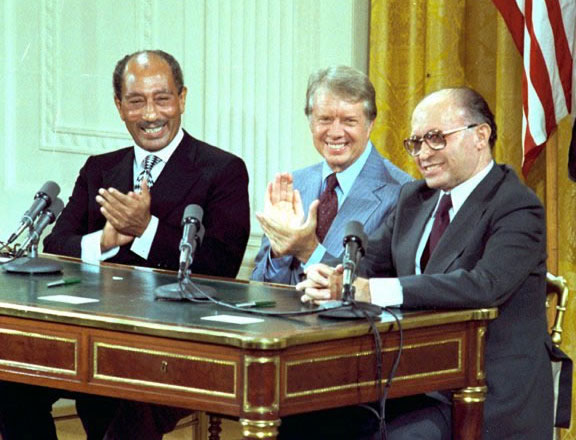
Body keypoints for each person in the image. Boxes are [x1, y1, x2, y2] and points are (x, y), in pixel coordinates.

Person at [0, 50, 250, 439]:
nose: (151, 114)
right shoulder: (100, 167)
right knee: (10, 388)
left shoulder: (222, 170)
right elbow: (57, 246)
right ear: (119, 106)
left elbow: (220, 268)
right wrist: (106, 239)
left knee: (123, 413)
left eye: (162, 98)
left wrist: (146, 228)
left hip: (171, 350)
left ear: (182, 98)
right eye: (136, 101)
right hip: (94, 342)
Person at [294, 87, 556, 439]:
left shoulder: (515, 205)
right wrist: (331, 278)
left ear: (480, 136)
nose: (422, 153)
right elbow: (367, 264)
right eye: (415, 142)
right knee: (302, 419)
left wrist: (372, 290)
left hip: (480, 392)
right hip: (407, 382)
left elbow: (484, 285)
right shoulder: (414, 198)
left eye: (435, 139)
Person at [251, 65, 411, 285]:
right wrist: (279, 252)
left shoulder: (403, 192)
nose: (335, 132)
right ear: (310, 122)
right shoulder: (295, 184)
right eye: (325, 119)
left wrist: (309, 250)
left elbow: (379, 287)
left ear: (370, 124)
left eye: (349, 121)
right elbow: (260, 286)